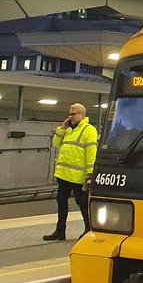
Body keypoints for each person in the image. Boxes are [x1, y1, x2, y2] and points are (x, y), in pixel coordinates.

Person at [43, 102, 98, 241]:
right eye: (70, 114)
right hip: (64, 175)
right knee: (61, 200)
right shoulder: (67, 130)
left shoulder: (89, 130)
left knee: (82, 203)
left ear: (81, 115)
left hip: (79, 176)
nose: (70, 117)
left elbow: (91, 153)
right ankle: (60, 231)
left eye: (73, 114)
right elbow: (55, 143)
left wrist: (90, 173)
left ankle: (88, 228)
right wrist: (62, 129)